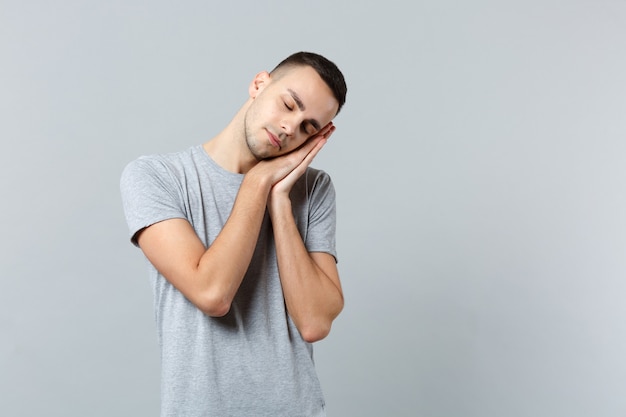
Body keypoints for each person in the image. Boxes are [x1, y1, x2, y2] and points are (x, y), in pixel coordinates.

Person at [120, 51, 347, 417]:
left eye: (308, 127)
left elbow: (315, 322)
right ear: (259, 84)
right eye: (288, 105)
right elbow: (212, 293)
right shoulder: (156, 177)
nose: (291, 128)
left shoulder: (314, 189)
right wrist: (257, 181)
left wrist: (280, 200)